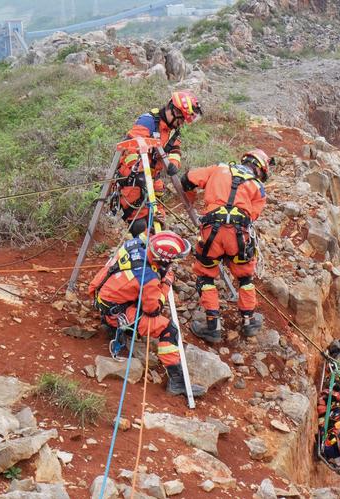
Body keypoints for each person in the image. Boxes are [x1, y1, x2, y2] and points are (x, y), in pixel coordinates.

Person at [88, 230, 206, 397]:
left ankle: (112, 326)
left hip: (103, 296)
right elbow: (153, 309)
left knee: (135, 297)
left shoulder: (135, 245)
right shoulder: (148, 278)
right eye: (173, 260)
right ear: (164, 260)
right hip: (117, 313)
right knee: (168, 330)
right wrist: (165, 283)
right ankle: (176, 381)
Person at [179, 149, 272, 342]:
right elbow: (252, 216)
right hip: (239, 236)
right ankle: (249, 321)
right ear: (260, 170)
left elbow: (187, 179)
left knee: (205, 276)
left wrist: (191, 200)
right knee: (245, 278)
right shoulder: (258, 187)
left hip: (211, 231)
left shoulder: (219, 169)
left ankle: (213, 325)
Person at [115, 90, 202, 237]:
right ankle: (141, 251)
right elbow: (130, 148)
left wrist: (173, 163)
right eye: (181, 119)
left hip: (153, 179)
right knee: (139, 223)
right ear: (174, 111)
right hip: (134, 180)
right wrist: (138, 173)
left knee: (158, 220)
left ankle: (155, 249)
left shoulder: (173, 130)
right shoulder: (148, 122)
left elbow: (174, 148)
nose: (181, 123)